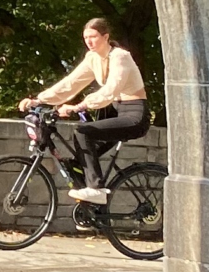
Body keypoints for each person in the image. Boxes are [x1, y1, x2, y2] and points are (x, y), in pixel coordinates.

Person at [21, 17, 149, 202]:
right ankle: (90, 209)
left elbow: (110, 90)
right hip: (115, 111)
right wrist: (38, 100)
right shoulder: (93, 58)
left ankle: (96, 189)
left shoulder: (120, 56)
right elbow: (70, 84)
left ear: (106, 37)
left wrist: (78, 106)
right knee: (78, 159)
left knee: (82, 132)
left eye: (94, 36)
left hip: (134, 115)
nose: (89, 41)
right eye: (86, 37)